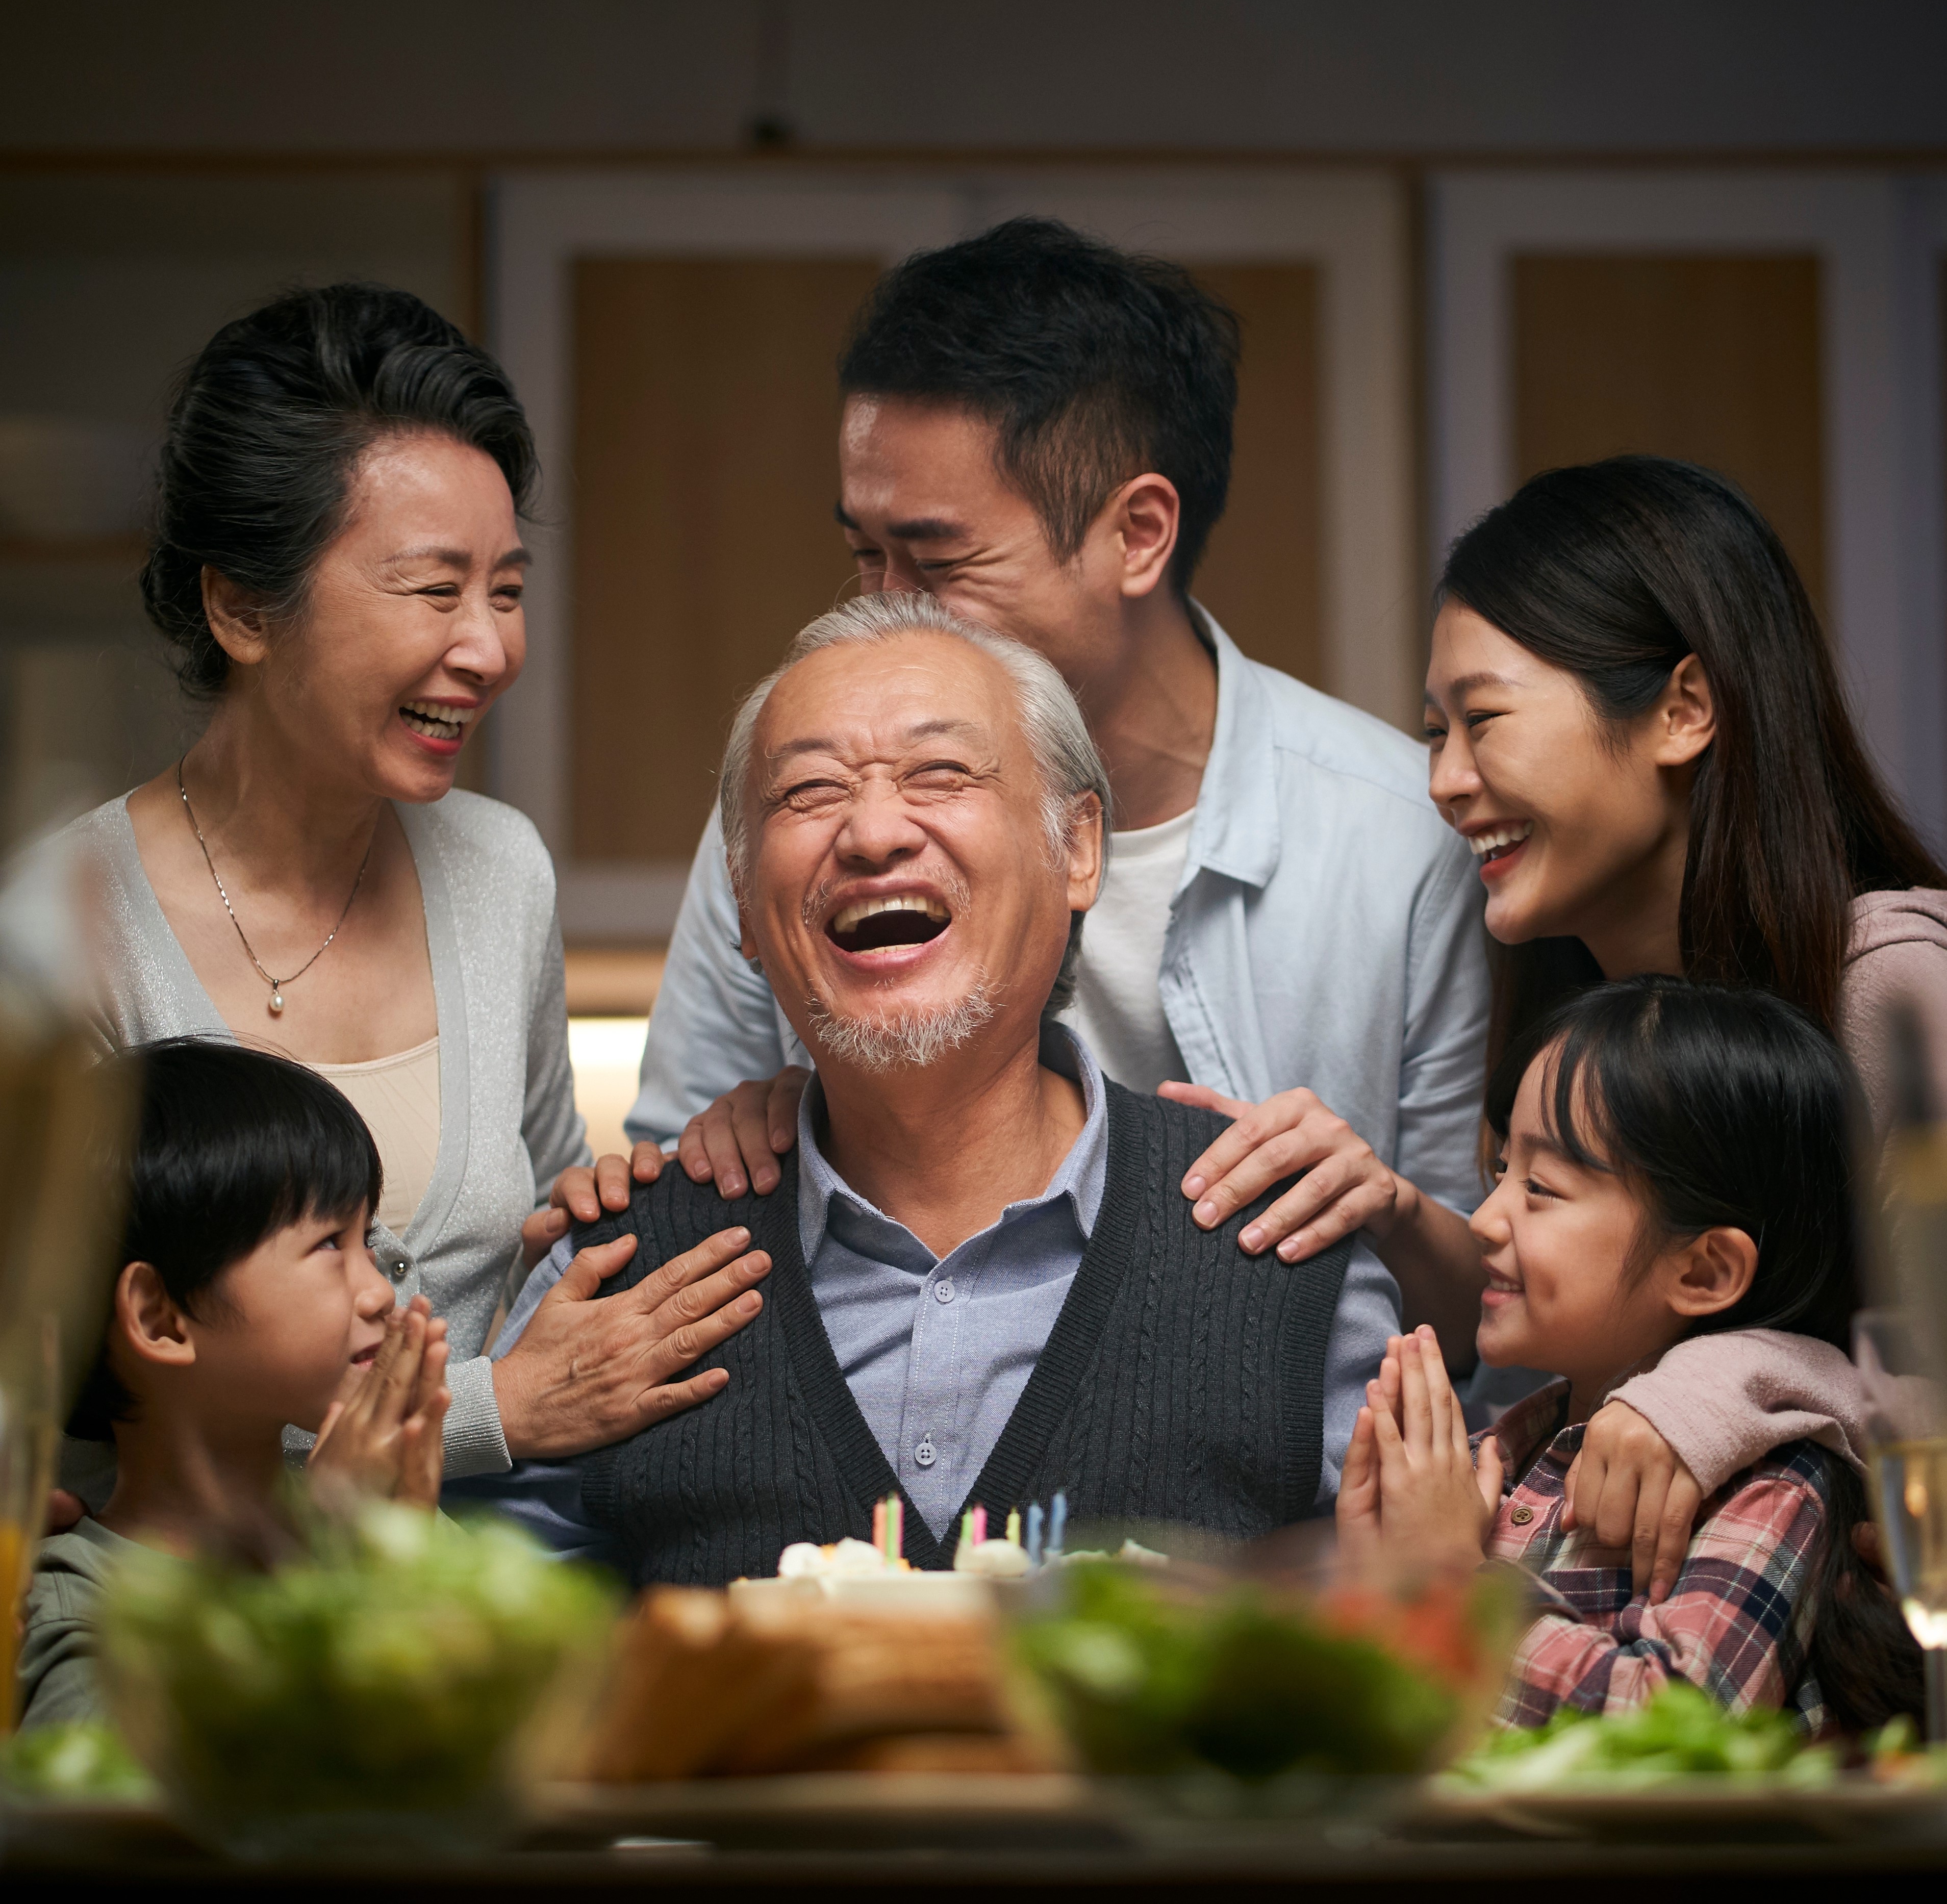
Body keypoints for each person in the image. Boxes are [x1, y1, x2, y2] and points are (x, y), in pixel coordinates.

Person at [624, 218, 1491, 1359]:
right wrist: (724, 1143)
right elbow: (669, 1202)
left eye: (937, 563)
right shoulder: (819, 816)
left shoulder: (1399, 838)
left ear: (1137, 534)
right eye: (863, 553)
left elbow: (1492, 1313)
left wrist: (1377, 1203)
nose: (887, 610)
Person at [485, 594, 1396, 1582]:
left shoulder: (1285, 1251)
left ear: (1078, 849)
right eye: (809, 792)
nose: (873, 832)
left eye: (941, 772)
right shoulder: (613, 1267)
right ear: (744, 906)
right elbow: (485, 1650)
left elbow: (1402, 1652)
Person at [60, 284, 758, 1498]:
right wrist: (502, 1409)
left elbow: (541, 1239)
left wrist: (606, 1205)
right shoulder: (62, 935)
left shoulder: (500, 873)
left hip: (495, 1578)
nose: (489, 649)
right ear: (239, 606)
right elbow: (85, 1394)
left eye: (507, 588)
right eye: (435, 591)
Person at [1419, 454, 1947, 1589]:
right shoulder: (1567, 1018)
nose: (1447, 780)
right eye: (1434, 733)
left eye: (1485, 721)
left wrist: (1737, 1379)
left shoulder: (1886, 984)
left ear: (1682, 708)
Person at [1337, 978, 1920, 1735]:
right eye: (1500, 1172)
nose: (1483, 1220)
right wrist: (1372, 1581)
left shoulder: (1773, 1486)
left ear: (1703, 1271)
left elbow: (1674, 1734)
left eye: (1540, 1186)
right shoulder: (1488, 1464)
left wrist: (1448, 1581)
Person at [18, 1040, 450, 1729]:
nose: (379, 1292)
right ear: (161, 1318)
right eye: (328, 1246)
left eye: (367, 1239)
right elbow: (137, 1814)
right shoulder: (79, 1606)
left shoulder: (394, 1511)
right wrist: (336, 1568)